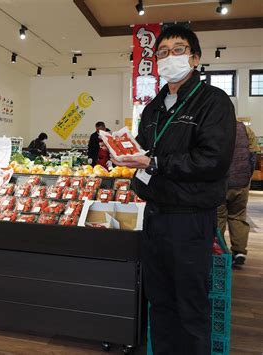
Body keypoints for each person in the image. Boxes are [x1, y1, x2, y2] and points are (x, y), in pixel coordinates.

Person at [115, 26, 236, 355]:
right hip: (155, 216)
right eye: (163, 52)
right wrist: (124, 152)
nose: (170, 58)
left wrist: (154, 162)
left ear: (195, 58)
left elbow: (212, 160)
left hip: (190, 219)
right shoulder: (153, 107)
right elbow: (145, 149)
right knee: (160, 301)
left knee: (190, 305)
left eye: (179, 50)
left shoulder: (213, 102)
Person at [217, 121, 259, 267]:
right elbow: (253, 154)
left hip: (220, 183)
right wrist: (247, 177)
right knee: (238, 216)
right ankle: (239, 252)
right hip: (241, 183)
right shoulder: (246, 130)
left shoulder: (214, 128)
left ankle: (219, 252)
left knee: (219, 217)